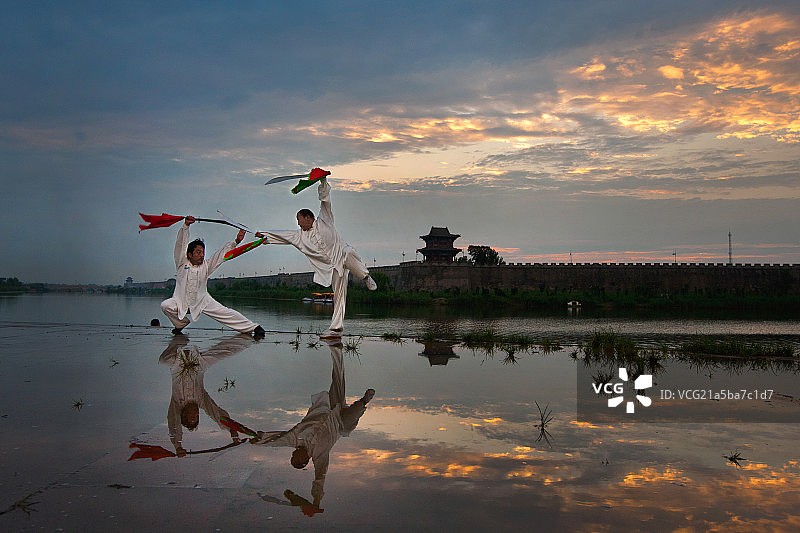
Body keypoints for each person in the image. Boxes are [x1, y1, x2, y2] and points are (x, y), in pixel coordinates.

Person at [250, 340, 375, 511]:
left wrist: (260, 439)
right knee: (352, 417)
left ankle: (336, 347)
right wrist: (316, 502)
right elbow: (319, 479)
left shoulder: (295, 439)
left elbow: (277, 441)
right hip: (339, 423)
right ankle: (363, 401)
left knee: (338, 377)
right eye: (295, 458)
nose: (293, 453)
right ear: (304, 460)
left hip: (329, 407)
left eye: (292, 456)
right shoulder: (319, 456)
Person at [256, 178, 377, 339]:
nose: (298, 224)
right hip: (331, 268)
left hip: (342, 256)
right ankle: (336, 330)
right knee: (339, 296)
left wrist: (322, 181)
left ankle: (366, 276)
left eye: (299, 219)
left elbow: (326, 200)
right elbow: (283, 235)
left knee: (347, 251)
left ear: (308, 217)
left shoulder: (324, 220)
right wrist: (263, 236)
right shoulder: (300, 237)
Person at [160, 216, 265, 338]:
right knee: (166, 306)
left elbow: (221, 254)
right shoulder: (182, 263)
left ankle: (254, 327)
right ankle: (181, 323)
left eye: (203, 252)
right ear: (190, 254)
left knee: (225, 313)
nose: (201, 255)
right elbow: (181, 245)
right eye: (198, 252)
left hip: (202, 300)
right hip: (180, 300)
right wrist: (186, 226)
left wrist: (236, 241)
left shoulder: (206, 265)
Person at [158, 334, 256, 456]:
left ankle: (178, 340)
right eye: (197, 416)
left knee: (162, 361)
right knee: (225, 352)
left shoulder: (177, 404)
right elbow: (215, 413)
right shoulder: (201, 401)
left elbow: (174, 424)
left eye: (192, 417)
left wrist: (177, 446)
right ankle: (248, 338)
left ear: (184, 415)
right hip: (197, 364)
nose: (196, 413)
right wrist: (232, 428)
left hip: (178, 364)